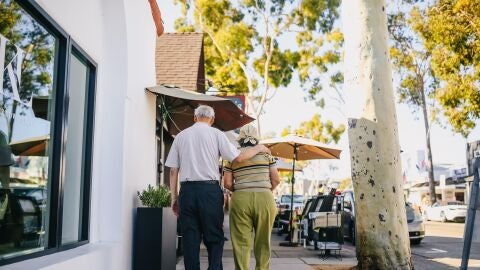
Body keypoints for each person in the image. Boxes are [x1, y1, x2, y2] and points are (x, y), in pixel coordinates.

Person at [165, 105, 270, 270]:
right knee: (214, 238)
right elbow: (239, 158)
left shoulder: (181, 136)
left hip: (188, 192)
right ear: (212, 120)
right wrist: (259, 148)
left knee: (190, 240)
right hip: (209, 192)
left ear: (194, 118)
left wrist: (174, 198)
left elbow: (172, 171)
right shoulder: (217, 134)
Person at [222, 125, 280, 270]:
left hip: (241, 199)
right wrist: (264, 189)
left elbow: (227, 183)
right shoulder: (267, 155)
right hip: (265, 199)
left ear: (240, 138)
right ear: (256, 138)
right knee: (263, 242)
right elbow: (276, 180)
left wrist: (243, 189)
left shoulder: (233, 156)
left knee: (241, 243)